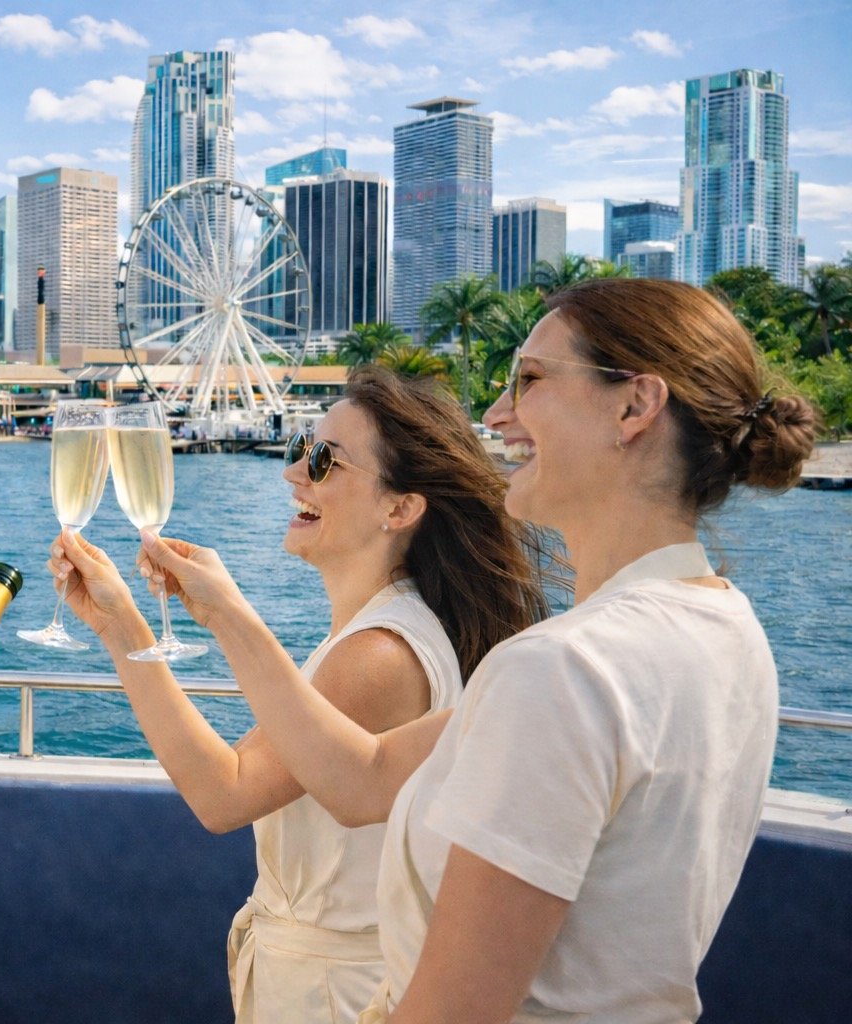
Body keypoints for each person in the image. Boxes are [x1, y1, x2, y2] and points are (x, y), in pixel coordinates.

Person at [126, 278, 819, 1023]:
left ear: (634, 407)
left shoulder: (562, 670)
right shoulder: (727, 628)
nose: (496, 414)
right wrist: (220, 613)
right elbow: (364, 778)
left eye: (529, 380)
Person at [51, 366, 548, 1023]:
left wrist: (126, 628)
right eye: (299, 451)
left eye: (324, 460)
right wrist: (124, 622)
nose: (294, 474)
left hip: (333, 998)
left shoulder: (380, 657)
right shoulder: (384, 632)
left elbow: (222, 792)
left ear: (400, 508)